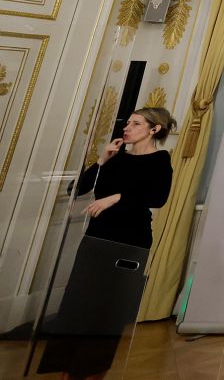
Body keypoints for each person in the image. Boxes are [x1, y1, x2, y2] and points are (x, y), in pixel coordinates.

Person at [37, 106, 175, 380]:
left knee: (107, 311)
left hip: (130, 242)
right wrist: (102, 160)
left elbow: (157, 198)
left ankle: (91, 371)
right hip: (97, 238)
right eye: (128, 123)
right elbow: (77, 189)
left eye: (135, 124)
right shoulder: (116, 159)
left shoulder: (160, 160)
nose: (126, 128)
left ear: (154, 129)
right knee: (78, 305)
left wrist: (117, 197)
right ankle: (68, 369)